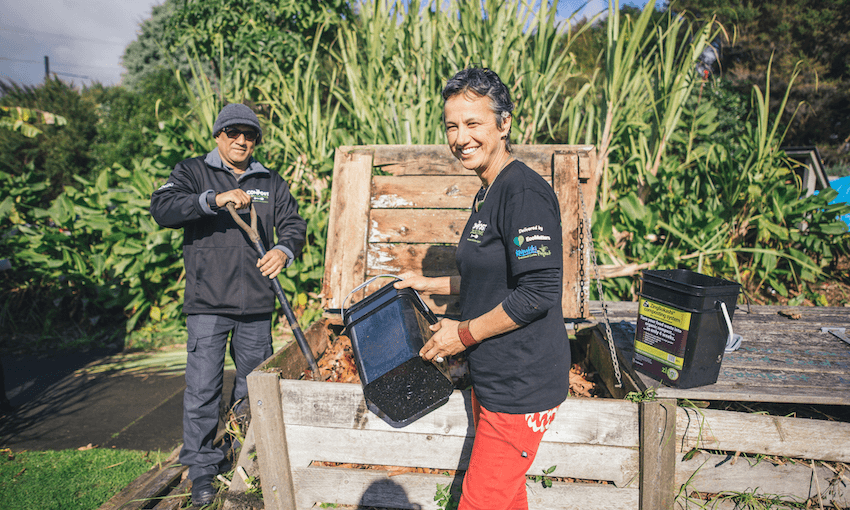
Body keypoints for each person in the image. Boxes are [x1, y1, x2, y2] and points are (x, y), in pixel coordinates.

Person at [394, 68, 570, 510]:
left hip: (522, 383)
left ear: (503, 124)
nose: (460, 137)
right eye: (452, 126)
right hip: (494, 378)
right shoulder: (487, 190)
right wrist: (428, 282)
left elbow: (537, 291)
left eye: (473, 123)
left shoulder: (523, 192)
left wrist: (463, 333)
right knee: (505, 500)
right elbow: (494, 276)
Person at [150, 103, 306, 507]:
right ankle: (203, 469)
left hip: (256, 304)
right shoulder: (191, 172)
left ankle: (246, 461)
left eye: (249, 135)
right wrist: (212, 199)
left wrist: (285, 251)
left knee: (253, 389)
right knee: (203, 388)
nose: (241, 141)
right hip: (207, 303)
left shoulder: (269, 181)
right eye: (233, 133)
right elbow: (163, 209)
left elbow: (293, 224)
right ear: (218, 135)